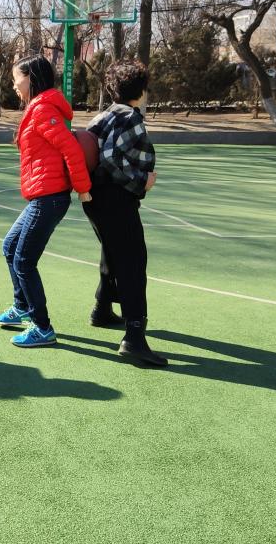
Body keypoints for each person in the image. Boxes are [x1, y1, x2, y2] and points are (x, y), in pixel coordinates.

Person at [0, 55, 92, 347]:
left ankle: (42, 327)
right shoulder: (36, 108)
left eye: (17, 79)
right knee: (10, 246)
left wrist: (83, 188)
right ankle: (22, 306)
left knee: (24, 261)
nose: (14, 85)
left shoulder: (42, 110)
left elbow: (71, 149)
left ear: (31, 79)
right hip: (42, 195)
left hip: (50, 198)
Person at [83, 60, 167, 366]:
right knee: (132, 261)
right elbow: (110, 157)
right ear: (142, 91)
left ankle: (102, 309)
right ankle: (134, 337)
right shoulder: (130, 116)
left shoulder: (103, 115)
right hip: (115, 197)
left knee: (112, 250)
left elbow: (95, 150)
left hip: (94, 198)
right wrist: (143, 180)